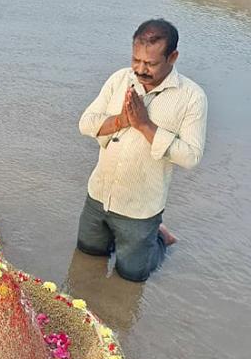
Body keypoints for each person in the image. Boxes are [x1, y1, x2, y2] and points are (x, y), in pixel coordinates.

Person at [77, 19, 207, 282]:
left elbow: (191, 156)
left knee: (132, 275)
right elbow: (85, 124)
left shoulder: (192, 97)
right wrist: (121, 121)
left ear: (173, 57)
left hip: (140, 209)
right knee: (87, 256)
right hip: (99, 195)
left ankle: (159, 237)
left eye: (150, 63)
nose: (140, 69)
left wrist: (145, 125)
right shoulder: (120, 79)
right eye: (136, 60)